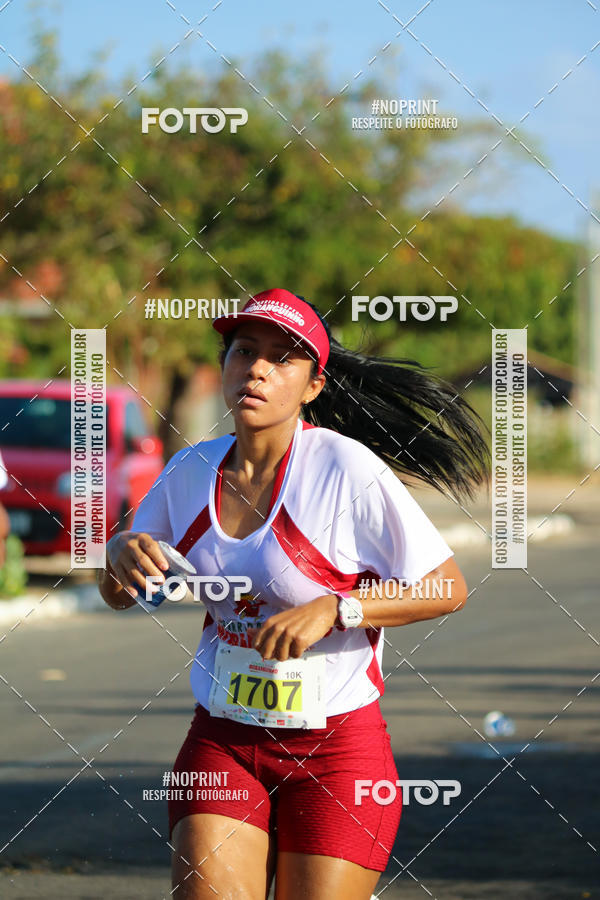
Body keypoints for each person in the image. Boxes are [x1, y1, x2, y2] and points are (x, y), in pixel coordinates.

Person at [99, 288, 490, 900]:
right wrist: (119, 551)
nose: (256, 368)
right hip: (224, 740)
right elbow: (121, 595)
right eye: (244, 351)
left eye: (282, 359)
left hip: (337, 752)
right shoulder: (188, 471)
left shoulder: (344, 469)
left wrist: (340, 606)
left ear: (312, 386)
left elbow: (448, 586)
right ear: (224, 365)